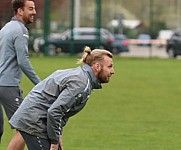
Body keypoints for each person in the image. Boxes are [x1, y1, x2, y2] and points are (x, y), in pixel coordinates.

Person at [9, 46, 115, 150]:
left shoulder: (81, 76)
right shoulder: (81, 83)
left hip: (36, 118)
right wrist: (54, 142)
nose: (112, 71)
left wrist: (58, 134)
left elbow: (63, 111)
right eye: (109, 66)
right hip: (35, 121)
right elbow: (54, 111)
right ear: (97, 66)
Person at [0, 0, 41, 149]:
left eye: (34, 8)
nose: (34, 12)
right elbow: (23, 61)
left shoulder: (5, 28)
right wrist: (40, 83)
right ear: (19, 11)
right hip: (8, 86)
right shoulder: (20, 30)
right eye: (30, 9)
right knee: (25, 126)